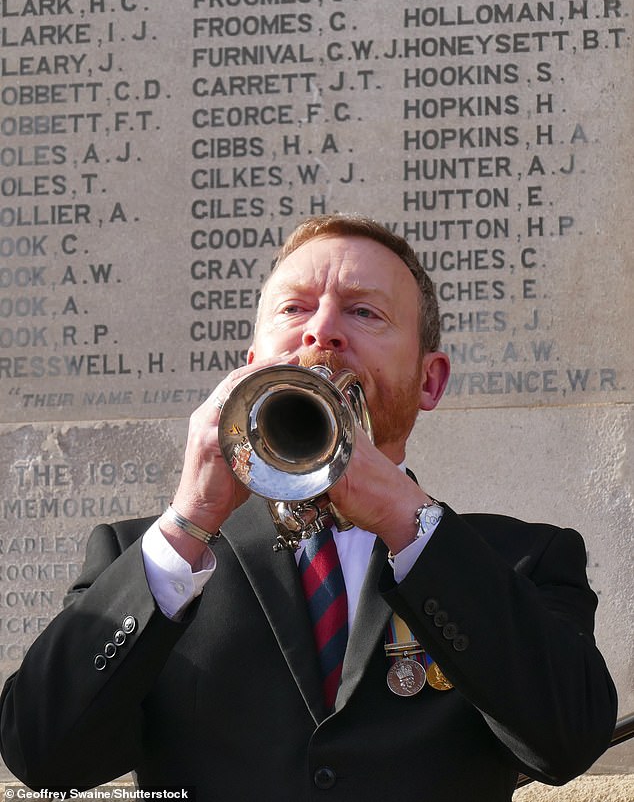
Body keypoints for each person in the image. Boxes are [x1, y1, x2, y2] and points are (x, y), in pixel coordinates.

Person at [0, 215, 617, 801]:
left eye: (364, 311)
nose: (321, 330)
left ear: (430, 381)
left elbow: (567, 742)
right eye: (294, 309)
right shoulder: (144, 559)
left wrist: (409, 519)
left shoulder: (523, 559)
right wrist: (187, 521)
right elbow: (43, 757)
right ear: (251, 364)